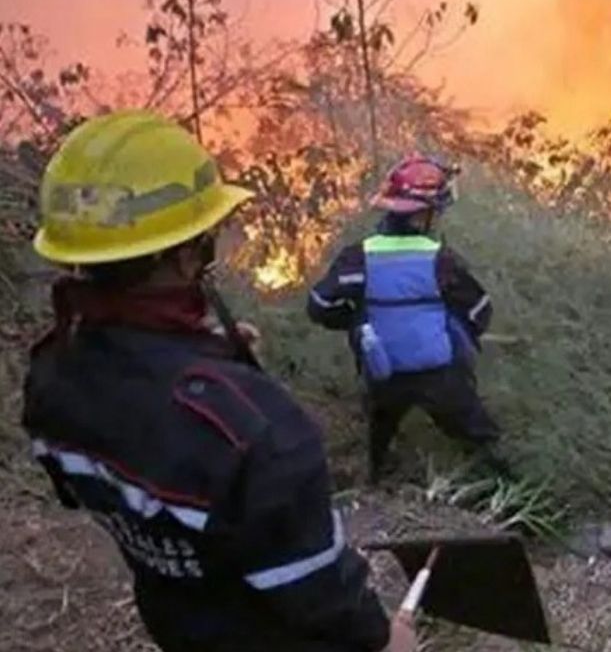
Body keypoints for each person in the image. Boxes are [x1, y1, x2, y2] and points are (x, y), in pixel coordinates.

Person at [21, 110, 416, 652]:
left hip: (179, 624)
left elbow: (93, 484)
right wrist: (386, 640)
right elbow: (321, 595)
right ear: (188, 257)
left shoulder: (49, 376)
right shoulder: (266, 436)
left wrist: (202, 361)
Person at [307, 154, 509, 483]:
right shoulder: (440, 259)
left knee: (379, 446)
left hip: (382, 372)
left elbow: (318, 305)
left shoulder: (359, 256)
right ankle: (517, 505)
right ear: (422, 215)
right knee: (482, 441)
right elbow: (479, 310)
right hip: (440, 376)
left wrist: (357, 318)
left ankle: (376, 490)